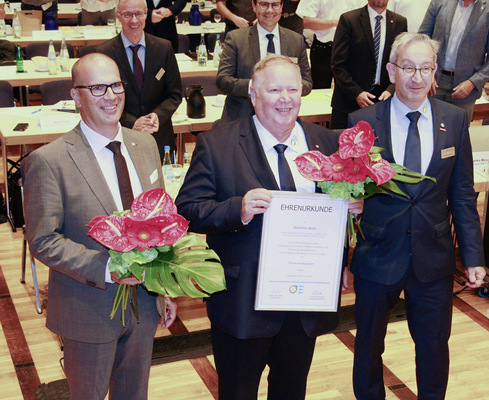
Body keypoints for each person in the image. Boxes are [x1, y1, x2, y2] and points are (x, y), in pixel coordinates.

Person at [177, 54, 363, 400]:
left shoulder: (327, 143)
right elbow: (187, 210)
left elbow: (337, 212)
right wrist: (239, 209)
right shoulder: (216, 145)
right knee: (237, 392)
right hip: (242, 300)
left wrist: (352, 209)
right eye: (274, 89)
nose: (285, 98)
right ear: (253, 95)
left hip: (304, 300)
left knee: (291, 391)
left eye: (292, 89)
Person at [21, 53, 177, 399]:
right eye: (97, 88)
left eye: (116, 85)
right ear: (76, 95)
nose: (111, 96)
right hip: (87, 308)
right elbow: (44, 241)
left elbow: (160, 224)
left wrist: (162, 286)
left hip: (144, 305)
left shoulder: (144, 144)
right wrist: (109, 268)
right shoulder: (49, 160)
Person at [347, 32, 486, 399]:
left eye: (425, 68)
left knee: (434, 347)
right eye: (408, 67)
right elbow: (346, 191)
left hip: (433, 258)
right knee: (368, 348)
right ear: (392, 70)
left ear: (435, 71)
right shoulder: (362, 121)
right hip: (378, 253)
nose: (417, 77)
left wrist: (472, 257)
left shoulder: (454, 120)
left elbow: (461, 194)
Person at [97, 0, 182, 160]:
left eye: (138, 14)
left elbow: (175, 94)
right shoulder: (104, 53)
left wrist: (157, 116)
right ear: (118, 16)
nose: (134, 20)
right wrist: (131, 122)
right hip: (120, 138)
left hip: (159, 137)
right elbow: (101, 101)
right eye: (127, 14)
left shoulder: (164, 48)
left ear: (146, 14)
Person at [216, 0, 312, 125]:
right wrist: (256, 87)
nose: (270, 10)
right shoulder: (236, 39)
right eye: (264, 4)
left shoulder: (295, 40)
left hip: (283, 120)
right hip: (241, 120)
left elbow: (307, 83)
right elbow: (223, 81)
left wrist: (284, 90)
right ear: (254, 6)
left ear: (281, 7)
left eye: (275, 5)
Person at [331, 0, 407, 129]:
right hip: (349, 100)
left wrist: (391, 89)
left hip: (383, 101)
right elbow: (337, 64)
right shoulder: (349, 20)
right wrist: (356, 93)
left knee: (379, 148)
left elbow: (401, 63)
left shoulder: (400, 22)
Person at [419, 0, 489, 126]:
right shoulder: (439, 2)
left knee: (457, 136)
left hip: (465, 89)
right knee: (426, 130)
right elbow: (422, 39)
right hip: (433, 83)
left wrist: (473, 82)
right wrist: (426, 72)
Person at [296, 0, 353, 89]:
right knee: (319, 91)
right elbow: (307, 22)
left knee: (349, 90)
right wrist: (339, 23)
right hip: (323, 48)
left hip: (350, 47)